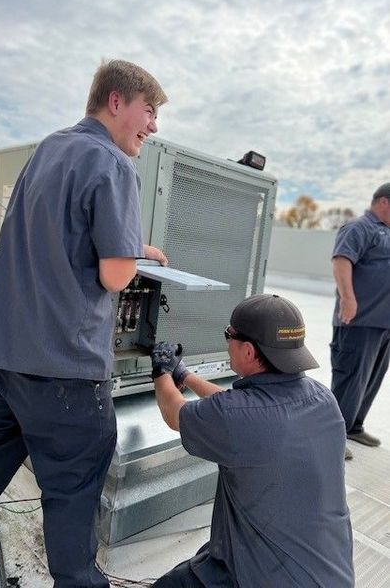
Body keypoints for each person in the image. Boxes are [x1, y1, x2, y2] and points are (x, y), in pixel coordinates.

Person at [0, 60, 168, 587]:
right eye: (149, 111)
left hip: (8, 356)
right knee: (73, 487)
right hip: (65, 369)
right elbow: (114, 277)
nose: (153, 126)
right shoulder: (113, 164)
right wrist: (131, 256)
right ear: (117, 102)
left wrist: (133, 246)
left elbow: (62, 237)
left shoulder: (51, 149)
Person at [150, 294, 354, 588]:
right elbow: (241, 411)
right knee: (203, 559)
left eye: (228, 335)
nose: (226, 341)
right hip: (329, 575)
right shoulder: (323, 399)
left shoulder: (237, 418)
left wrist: (161, 372)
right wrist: (185, 376)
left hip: (262, 576)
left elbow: (174, 413)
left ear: (247, 351)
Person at [331, 183, 390, 460]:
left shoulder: (387, 233)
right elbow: (342, 260)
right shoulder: (359, 228)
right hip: (358, 320)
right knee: (350, 379)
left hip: (383, 324)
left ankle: (354, 426)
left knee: (371, 380)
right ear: (384, 202)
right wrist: (348, 298)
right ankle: (332, 437)